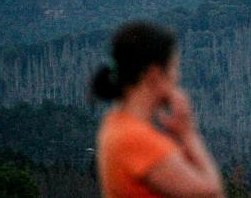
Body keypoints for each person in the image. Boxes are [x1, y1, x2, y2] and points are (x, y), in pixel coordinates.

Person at [91, 21, 224, 198]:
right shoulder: (136, 139)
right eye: (173, 68)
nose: (178, 76)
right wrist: (188, 134)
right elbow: (211, 193)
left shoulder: (116, 124)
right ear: (154, 75)